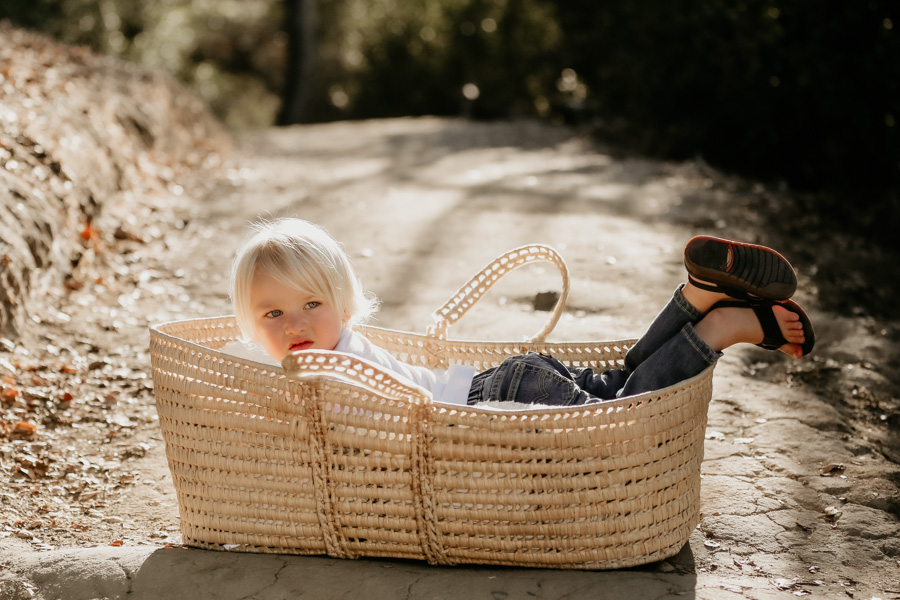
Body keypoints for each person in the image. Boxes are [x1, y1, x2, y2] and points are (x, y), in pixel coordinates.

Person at [226, 218, 814, 407]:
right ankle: (697, 295)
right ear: (252, 324)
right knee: (620, 383)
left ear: (345, 308)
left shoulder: (329, 369)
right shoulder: (320, 354)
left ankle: (717, 327)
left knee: (625, 414)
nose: (294, 325)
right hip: (508, 379)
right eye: (271, 315)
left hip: (497, 402)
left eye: (310, 304)